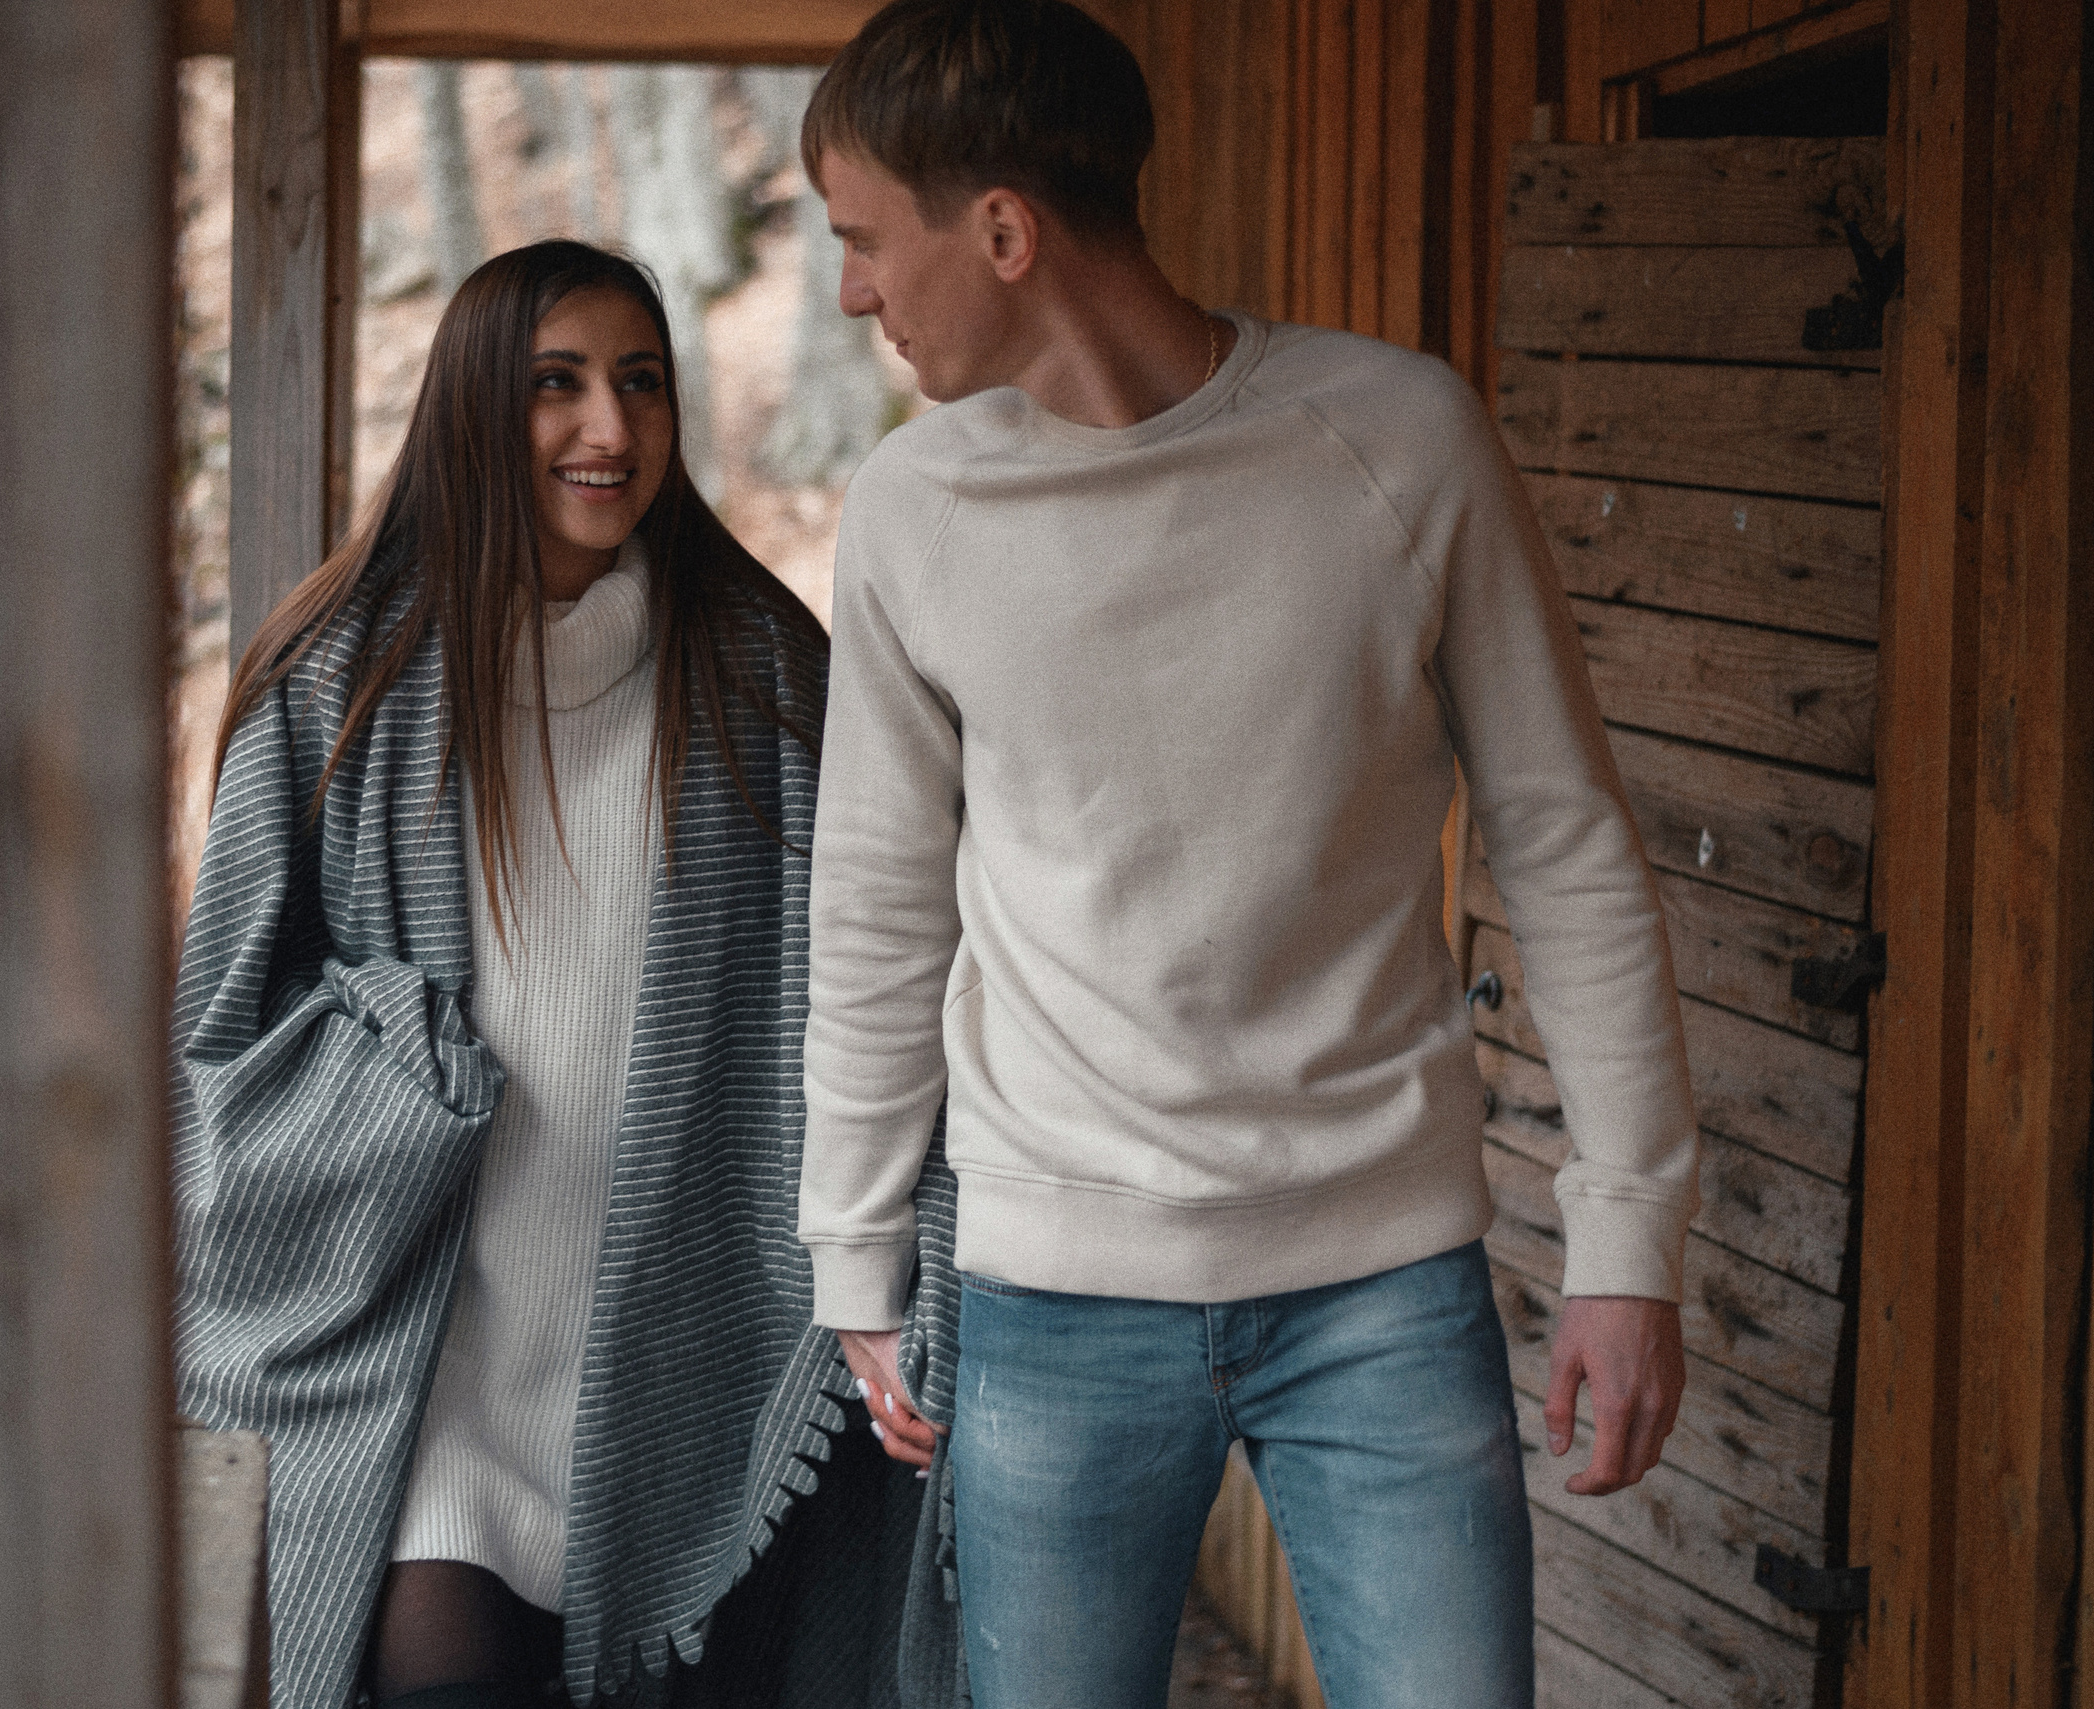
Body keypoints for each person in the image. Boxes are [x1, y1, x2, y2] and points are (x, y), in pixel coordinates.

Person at [793, 5, 1703, 1706]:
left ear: (1002, 230)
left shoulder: (1400, 440)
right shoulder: (911, 513)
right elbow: (878, 899)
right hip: (1054, 1292)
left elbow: (1565, 844)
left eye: (862, 238)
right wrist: (852, 1246)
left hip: (1383, 1282)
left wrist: (1628, 1237)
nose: (852, 291)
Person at [171, 241, 946, 1709]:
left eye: (642, 383)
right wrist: (383, 1046)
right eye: (559, 384)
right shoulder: (335, 684)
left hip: (685, 1335)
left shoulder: (767, 672)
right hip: (426, 1351)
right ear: (473, 406)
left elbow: (885, 969)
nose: (611, 428)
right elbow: (220, 1039)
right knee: (431, 1667)